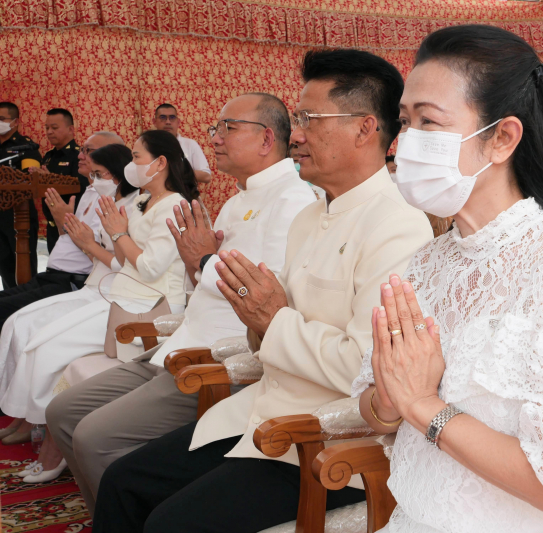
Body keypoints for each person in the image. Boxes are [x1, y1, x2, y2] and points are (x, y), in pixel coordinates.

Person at [92, 48, 434, 532]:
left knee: (170, 524)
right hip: (259, 412)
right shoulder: (310, 216)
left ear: (364, 128)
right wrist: (257, 317)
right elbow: (269, 329)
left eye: (311, 119)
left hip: (319, 441)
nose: (295, 135)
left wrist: (272, 319)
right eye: (298, 118)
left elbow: (366, 370)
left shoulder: (399, 227)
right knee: (122, 483)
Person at [348, 24, 543, 533]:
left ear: (501, 138)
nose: (406, 144)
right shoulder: (428, 262)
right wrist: (392, 397)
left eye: (428, 123)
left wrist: (424, 407)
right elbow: (378, 409)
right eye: (405, 122)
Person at [46, 93, 317, 512]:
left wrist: (203, 260)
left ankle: (128, 513)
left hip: (217, 360)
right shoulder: (235, 201)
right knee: (63, 411)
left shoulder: (294, 201)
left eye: (227, 128)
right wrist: (199, 265)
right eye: (215, 129)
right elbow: (201, 279)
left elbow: (269, 295)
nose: (215, 139)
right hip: (176, 344)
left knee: (93, 438)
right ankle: (121, 512)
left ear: (266, 139)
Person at [8, 129, 196, 483]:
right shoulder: (142, 201)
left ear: (160, 164)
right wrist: (115, 233)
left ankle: (53, 447)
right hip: (122, 293)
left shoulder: (175, 204)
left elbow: (152, 268)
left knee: (49, 345)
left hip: (151, 304)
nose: (131, 166)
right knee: (35, 334)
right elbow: (125, 262)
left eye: (137, 157)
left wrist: (118, 233)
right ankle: (37, 429)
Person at [0, 143, 139, 476]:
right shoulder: (108, 198)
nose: (93, 177)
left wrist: (87, 240)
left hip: (117, 294)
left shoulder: (140, 206)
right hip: (97, 285)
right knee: (17, 324)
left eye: (99, 173)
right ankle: (25, 415)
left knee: (43, 343)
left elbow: (134, 266)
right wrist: (67, 223)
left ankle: (51, 441)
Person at [0, 132, 133, 331]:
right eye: (82, 150)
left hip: (73, 281)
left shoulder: (115, 200)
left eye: (89, 151)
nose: (80, 155)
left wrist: (66, 223)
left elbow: (100, 254)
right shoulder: (90, 192)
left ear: (113, 158)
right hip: (52, 275)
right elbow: (72, 240)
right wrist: (63, 221)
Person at [0, 102, 40, 288]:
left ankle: (27, 307)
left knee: (24, 267)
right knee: (5, 267)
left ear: (15, 122)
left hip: (18, 216)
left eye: (2, 119)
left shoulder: (26, 147)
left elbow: (29, 181)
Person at [38, 108, 85, 252]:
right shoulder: (49, 156)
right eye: (47, 128)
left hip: (72, 225)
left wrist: (49, 180)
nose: (49, 132)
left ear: (70, 129)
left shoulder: (78, 156)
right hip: (52, 225)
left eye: (54, 127)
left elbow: (80, 188)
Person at [152, 103, 212, 184]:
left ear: (178, 122)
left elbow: (206, 176)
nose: (168, 122)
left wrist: (174, 172)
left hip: (184, 195)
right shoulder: (146, 145)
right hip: (154, 196)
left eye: (172, 117)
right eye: (163, 118)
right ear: (154, 122)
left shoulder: (190, 144)